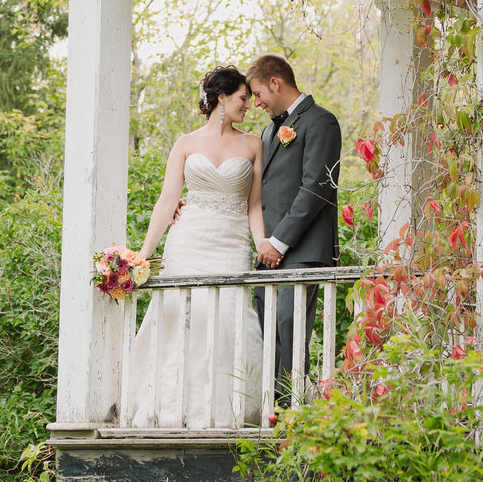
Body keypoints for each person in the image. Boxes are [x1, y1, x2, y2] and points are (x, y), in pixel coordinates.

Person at [126, 66, 265, 428]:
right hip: (188, 240)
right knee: (181, 319)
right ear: (222, 98)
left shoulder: (253, 144)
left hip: (232, 243)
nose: (247, 106)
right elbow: (166, 200)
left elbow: (254, 204)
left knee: (229, 319)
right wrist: (144, 252)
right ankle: (173, 407)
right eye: (242, 99)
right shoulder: (185, 144)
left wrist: (261, 241)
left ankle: (227, 410)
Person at [245, 54, 341, 410]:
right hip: (268, 254)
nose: (256, 104)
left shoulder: (321, 122)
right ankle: (274, 409)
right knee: (270, 329)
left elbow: (316, 187)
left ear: (275, 83)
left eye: (257, 94)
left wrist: (280, 241)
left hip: (304, 251)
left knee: (290, 324)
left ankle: (291, 413)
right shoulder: (269, 130)